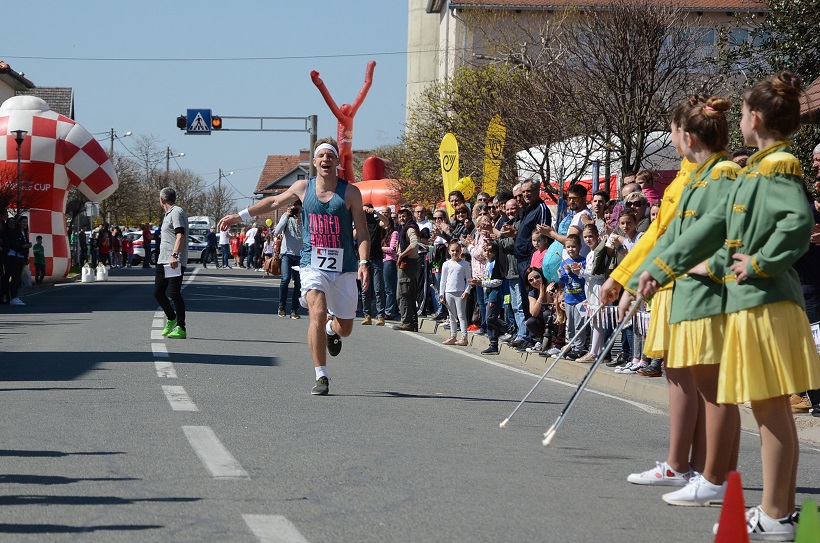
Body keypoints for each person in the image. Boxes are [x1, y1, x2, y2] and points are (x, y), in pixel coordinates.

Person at [637, 73, 820, 540]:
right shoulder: (759, 167)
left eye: (741, 112)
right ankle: (775, 511)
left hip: (765, 301)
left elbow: (798, 223)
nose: (738, 120)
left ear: (754, 118)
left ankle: (776, 515)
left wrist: (760, 262)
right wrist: (661, 268)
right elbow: (716, 227)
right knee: (767, 409)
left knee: (770, 409)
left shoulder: (778, 165)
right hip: (751, 302)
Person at [626, 95, 741, 508]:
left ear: (687, 135)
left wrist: (706, 267)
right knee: (693, 380)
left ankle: (716, 477)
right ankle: (700, 471)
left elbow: (736, 234)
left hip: (708, 292)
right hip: (683, 288)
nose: (672, 138)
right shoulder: (693, 176)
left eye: (674, 130)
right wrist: (636, 277)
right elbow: (671, 237)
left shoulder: (723, 173)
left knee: (717, 391)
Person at [218, 138, 370, 396]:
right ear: (314, 162)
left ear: (337, 163)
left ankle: (330, 330)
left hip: (344, 267)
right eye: (321, 156)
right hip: (312, 263)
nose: (325, 160)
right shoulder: (302, 187)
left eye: (330, 157)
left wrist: (364, 262)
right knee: (317, 310)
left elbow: (363, 232)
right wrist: (239, 216)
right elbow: (273, 203)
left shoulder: (351, 192)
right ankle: (321, 374)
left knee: (345, 328)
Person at [154, 187, 189, 340]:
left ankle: (181, 327)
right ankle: (171, 317)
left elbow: (180, 235)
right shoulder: (168, 214)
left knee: (174, 292)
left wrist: (175, 255)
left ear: (162, 199)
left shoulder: (176, 212)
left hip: (174, 260)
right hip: (163, 259)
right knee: (158, 292)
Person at [470, 241, 505, 355]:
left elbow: (498, 281)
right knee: (489, 319)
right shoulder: (487, 264)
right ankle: (493, 344)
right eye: (485, 251)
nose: (487, 254)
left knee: (490, 318)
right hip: (487, 293)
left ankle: (509, 329)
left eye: (490, 251)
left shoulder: (496, 263)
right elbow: (486, 278)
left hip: (494, 294)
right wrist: (478, 280)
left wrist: (482, 283)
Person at [558, 234, 587, 359]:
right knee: (569, 324)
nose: (571, 249)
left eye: (573, 247)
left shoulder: (583, 261)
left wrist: (572, 273)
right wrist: (561, 275)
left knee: (579, 324)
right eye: (568, 247)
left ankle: (579, 348)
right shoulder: (564, 262)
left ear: (580, 247)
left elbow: (582, 280)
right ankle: (570, 345)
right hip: (569, 298)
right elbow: (566, 281)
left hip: (580, 299)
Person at [358, 202, 387, 325]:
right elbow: (354, 235)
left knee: (378, 288)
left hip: (376, 259)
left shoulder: (377, 223)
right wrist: (360, 214)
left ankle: (380, 315)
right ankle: (367, 315)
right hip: (363, 260)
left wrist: (375, 212)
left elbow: (386, 222)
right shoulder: (360, 225)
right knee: (365, 289)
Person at [274, 199, 303, 319]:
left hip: (300, 255)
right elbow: (277, 231)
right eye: (294, 208)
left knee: (299, 283)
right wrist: (286, 216)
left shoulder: (305, 218)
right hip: (287, 253)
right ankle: (281, 306)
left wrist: (299, 220)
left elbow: (307, 234)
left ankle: (294, 310)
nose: (296, 211)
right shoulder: (286, 217)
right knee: (285, 279)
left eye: (298, 209)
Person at [439, 240, 472, 346]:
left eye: (457, 251)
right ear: (449, 251)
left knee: (461, 315)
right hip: (448, 292)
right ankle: (453, 336)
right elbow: (443, 280)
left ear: (460, 251)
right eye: (452, 250)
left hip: (460, 293)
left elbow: (469, 280)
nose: (454, 253)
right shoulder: (446, 264)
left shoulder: (465, 264)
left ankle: (464, 337)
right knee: (452, 316)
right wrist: (441, 294)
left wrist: (467, 291)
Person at [394, 206, 420, 332]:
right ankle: (412, 322)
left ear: (409, 217)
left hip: (407, 263)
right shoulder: (404, 229)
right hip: (407, 263)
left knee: (403, 294)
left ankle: (407, 322)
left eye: (404, 216)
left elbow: (414, 243)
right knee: (408, 294)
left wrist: (402, 254)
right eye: (399, 217)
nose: (401, 219)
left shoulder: (410, 228)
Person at [381, 211, 400, 321]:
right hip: (382, 261)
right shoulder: (383, 234)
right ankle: (386, 309)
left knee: (389, 288)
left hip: (390, 261)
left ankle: (390, 311)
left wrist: (379, 248)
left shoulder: (394, 233)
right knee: (384, 287)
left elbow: (392, 249)